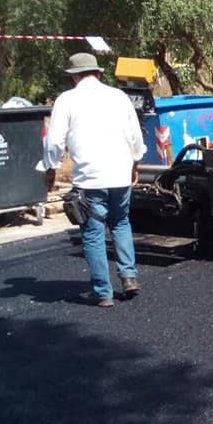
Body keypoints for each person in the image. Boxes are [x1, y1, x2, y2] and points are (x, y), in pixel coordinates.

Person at [37, 52, 146, 307]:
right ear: (98, 72)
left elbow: (54, 141)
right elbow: (136, 137)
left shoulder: (67, 100)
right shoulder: (119, 97)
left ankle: (103, 292)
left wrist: (51, 168)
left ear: (74, 76)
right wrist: (135, 166)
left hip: (90, 179)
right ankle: (128, 276)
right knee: (120, 223)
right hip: (119, 174)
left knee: (94, 232)